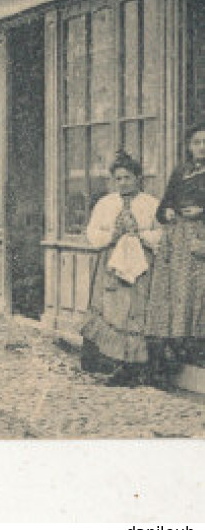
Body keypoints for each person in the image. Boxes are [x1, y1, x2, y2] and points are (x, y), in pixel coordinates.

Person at [81, 151, 163, 386]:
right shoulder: (106, 204)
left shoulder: (151, 204)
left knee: (135, 313)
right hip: (111, 263)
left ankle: (135, 367)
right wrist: (112, 235)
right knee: (111, 311)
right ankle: (112, 364)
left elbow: (162, 234)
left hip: (142, 265)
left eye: (128, 177)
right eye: (118, 178)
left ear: (138, 178)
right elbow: (92, 233)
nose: (123, 183)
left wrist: (140, 234)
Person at [145, 124, 205, 371]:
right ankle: (180, 346)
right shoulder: (181, 172)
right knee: (178, 292)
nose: (202, 147)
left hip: (200, 239)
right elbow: (162, 207)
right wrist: (167, 212)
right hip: (177, 240)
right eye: (197, 143)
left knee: (200, 292)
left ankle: (198, 346)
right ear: (189, 147)